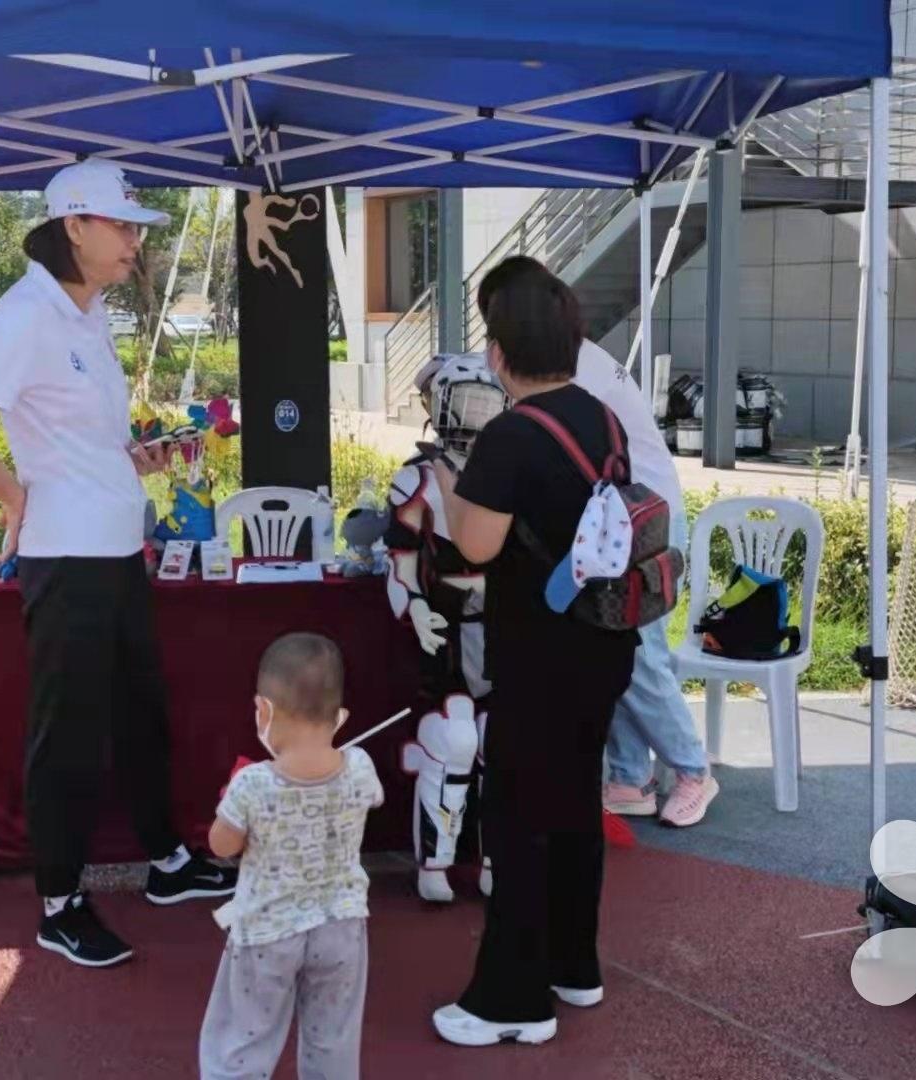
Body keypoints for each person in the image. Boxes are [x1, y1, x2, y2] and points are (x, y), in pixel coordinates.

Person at [0, 161, 235, 969]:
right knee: (67, 737)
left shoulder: (88, 309)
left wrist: (135, 458)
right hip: (65, 558)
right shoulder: (28, 311)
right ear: (75, 226)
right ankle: (60, 904)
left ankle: (167, 862)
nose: (136, 239)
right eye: (123, 225)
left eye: (137, 226)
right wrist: (12, 500)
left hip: (114, 548)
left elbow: (81, 438)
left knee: (142, 716)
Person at [426, 262, 638, 1047]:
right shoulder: (601, 418)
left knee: (517, 817)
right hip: (604, 644)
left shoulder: (512, 433)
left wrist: (448, 478)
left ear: (501, 350)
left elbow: (476, 544)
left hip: (539, 656)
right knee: (576, 803)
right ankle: (572, 966)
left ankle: (511, 999)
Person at [475, 255, 716, 828]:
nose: (491, 340)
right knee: (613, 639)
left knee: (638, 656)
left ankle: (692, 769)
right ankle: (630, 776)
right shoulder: (565, 357)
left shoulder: (562, 365)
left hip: (639, 521)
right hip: (618, 518)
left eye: (495, 320)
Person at [200, 633, 383, 1080]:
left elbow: (221, 845)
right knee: (332, 1040)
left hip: (267, 931)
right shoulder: (359, 765)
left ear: (263, 711)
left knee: (244, 1037)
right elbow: (372, 798)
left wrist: (230, 800)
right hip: (341, 928)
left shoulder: (253, 784)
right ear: (340, 717)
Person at [385, 353, 505, 903]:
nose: (477, 415)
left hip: (503, 631)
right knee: (455, 733)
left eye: (487, 401)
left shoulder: (509, 472)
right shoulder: (416, 479)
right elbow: (400, 566)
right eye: (466, 401)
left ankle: (494, 860)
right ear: (439, 405)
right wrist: (415, 609)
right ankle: (434, 864)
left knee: (500, 739)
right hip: (447, 632)